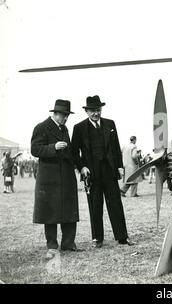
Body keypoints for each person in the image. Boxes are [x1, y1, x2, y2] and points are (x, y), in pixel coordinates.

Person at [71, 95, 134, 248]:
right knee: (95, 206)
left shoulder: (110, 124)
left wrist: (119, 166)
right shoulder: (79, 128)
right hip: (91, 174)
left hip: (109, 172)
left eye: (98, 110)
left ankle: (122, 237)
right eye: (92, 111)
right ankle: (97, 238)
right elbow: (74, 152)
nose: (96, 113)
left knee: (116, 205)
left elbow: (115, 147)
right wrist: (82, 167)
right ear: (87, 111)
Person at [31, 99, 82, 259]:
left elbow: (72, 152)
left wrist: (80, 167)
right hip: (49, 176)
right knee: (50, 212)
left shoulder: (65, 129)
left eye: (67, 115)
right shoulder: (41, 127)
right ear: (55, 113)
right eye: (63, 115)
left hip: (66, 176)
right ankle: (52, 245)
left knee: (69, 209)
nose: (65, 118)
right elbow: (35, 149)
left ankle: (68, 243)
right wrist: (53, 147)